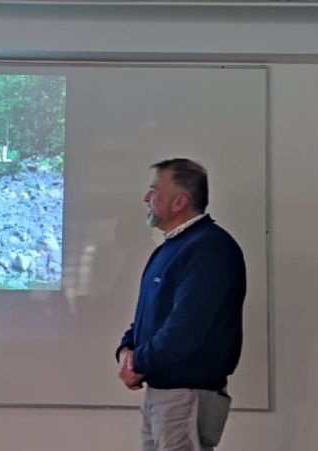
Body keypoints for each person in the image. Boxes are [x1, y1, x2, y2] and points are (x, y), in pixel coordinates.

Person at [116, 158, 247, 451]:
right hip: (163, 392)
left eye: (153, 190)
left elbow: (185, 329)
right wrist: (126, 350)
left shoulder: (209, 249)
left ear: (179, 202)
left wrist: (138, 361)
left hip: (186, 395)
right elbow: (148, 316)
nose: (146, 198)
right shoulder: (170, 248)